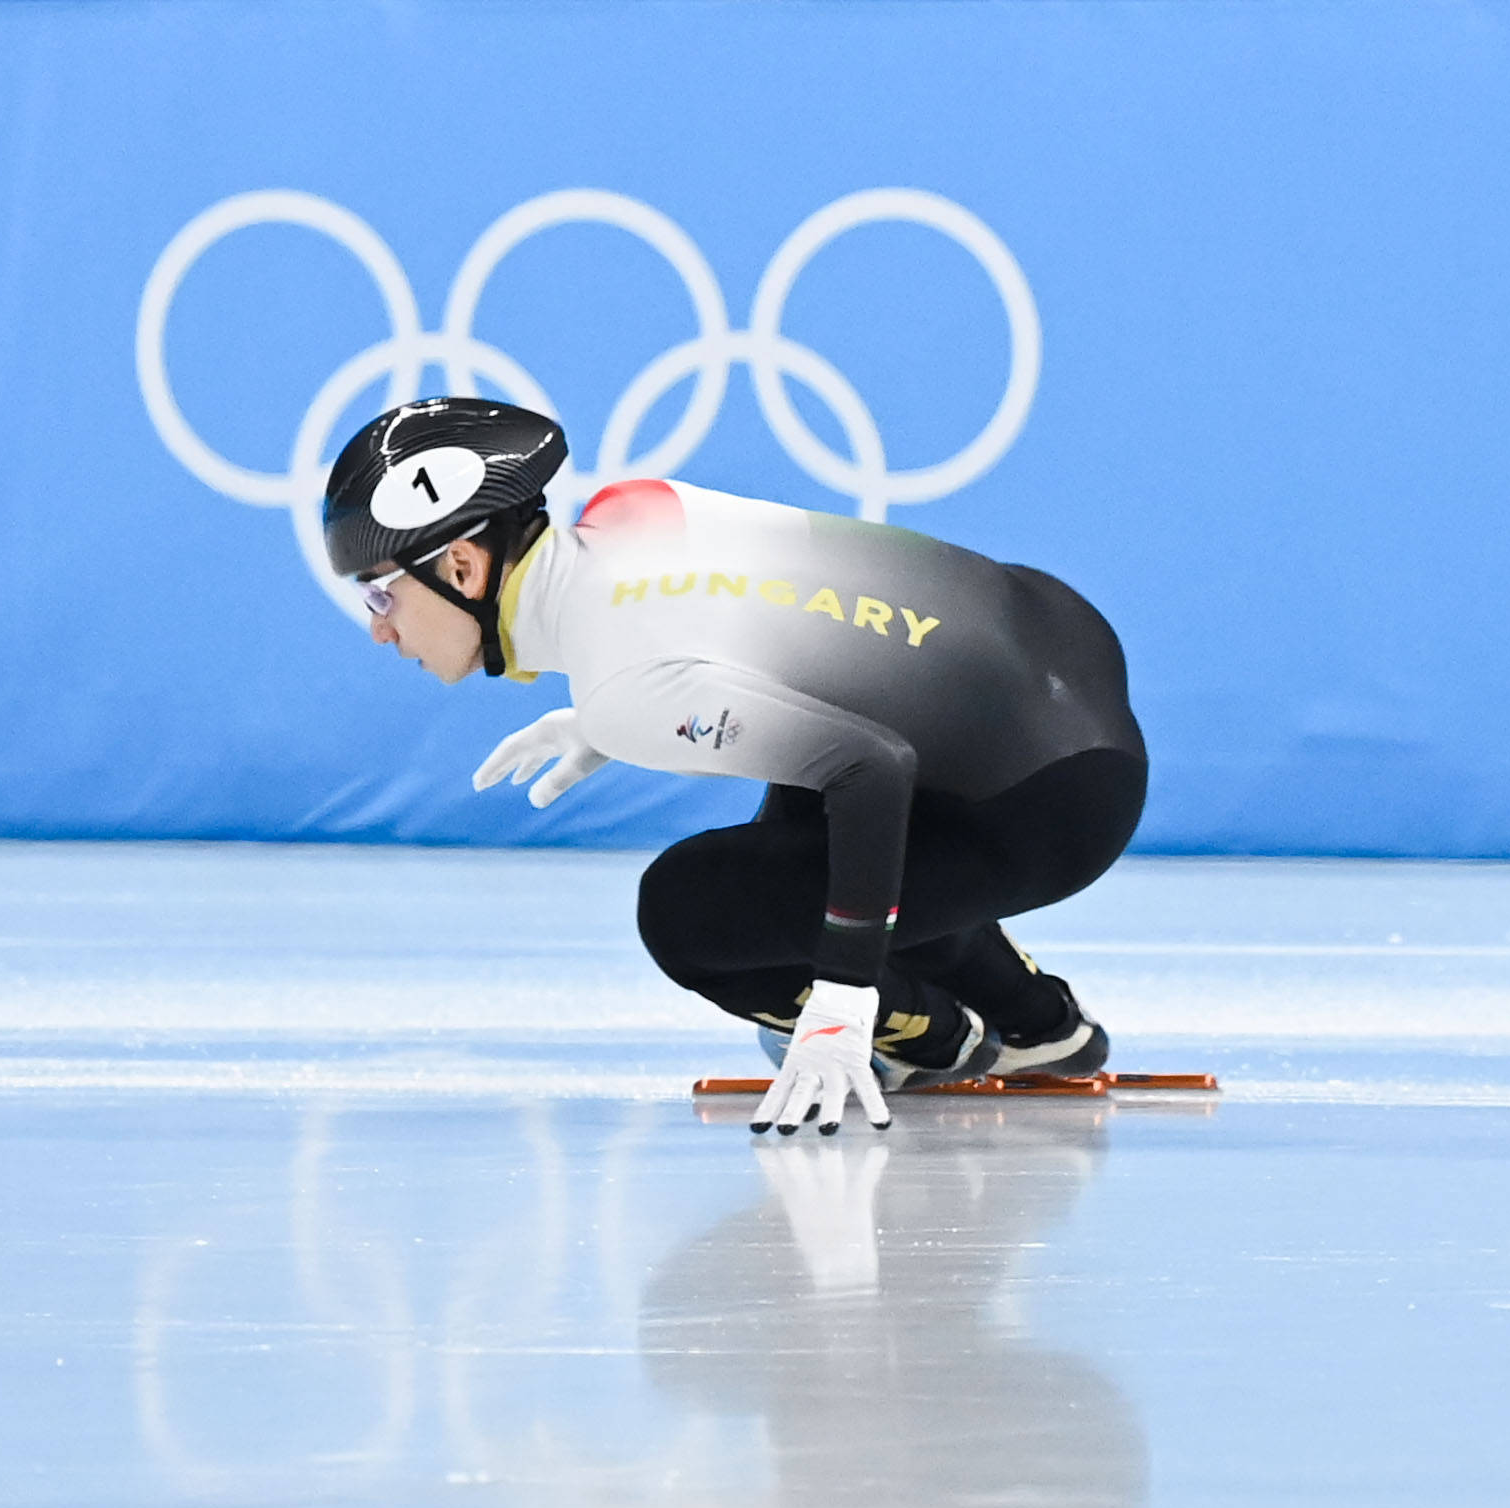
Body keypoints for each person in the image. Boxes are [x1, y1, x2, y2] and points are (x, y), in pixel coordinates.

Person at [325, 397, 1145, 1136]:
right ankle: (1039, 1022)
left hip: (1053, 800)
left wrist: (841, 999)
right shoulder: (634, 509)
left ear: (463, 567)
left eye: (379, 595)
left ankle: (934, 1036)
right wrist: (602, 720)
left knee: (688, 912)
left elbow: (874, 769)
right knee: (802, 835)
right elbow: (765, 616)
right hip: (1058, 640)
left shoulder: (625, 685)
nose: (379, 631)